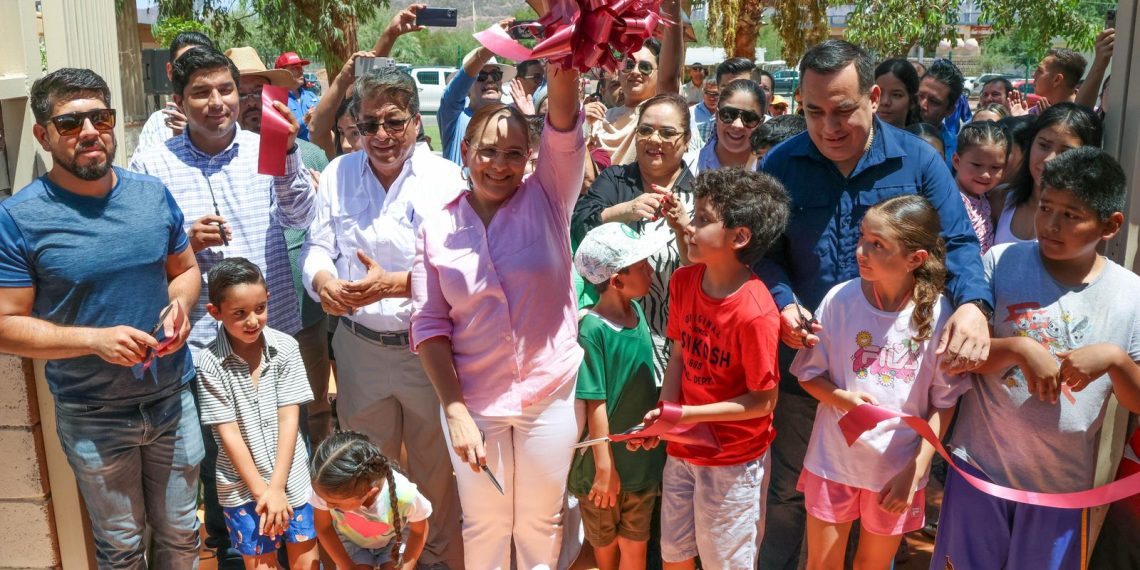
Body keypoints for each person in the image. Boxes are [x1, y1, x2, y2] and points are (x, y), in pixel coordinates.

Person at [754, 40, 993, 570]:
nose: (828, 127)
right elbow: (760, 253)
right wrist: (783, 301)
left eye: (843, 111)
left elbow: (956, 243)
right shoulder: (780, 163)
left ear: (875, 96)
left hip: (897, 380)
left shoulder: (918, 160)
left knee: (889, 505)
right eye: (813, 112)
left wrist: (974, 304)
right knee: (795, 496)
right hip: (810, 371)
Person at [0, 68, 202, 567]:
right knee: (122, 548)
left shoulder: (150, 195)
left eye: (100, 117)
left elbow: (186, 270)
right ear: (42, 135)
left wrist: (181, 306)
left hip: (172, 397)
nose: (90, 131)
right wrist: (94, 340)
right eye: (70, 123)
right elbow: (5, 324)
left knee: (182, 535)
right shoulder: (20, 218)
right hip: (93, 413)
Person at [129, 46, 316, 565]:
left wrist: (291, 155)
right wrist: (185, 238)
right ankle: (237, 552)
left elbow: (302, 212)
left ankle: (294, 546)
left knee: (285, 441)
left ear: (241, 93)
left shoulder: (268, 146)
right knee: (220, 458)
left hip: (271, 332)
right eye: (201, 93)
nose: (217, 102)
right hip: (203, 344)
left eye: (225, 89)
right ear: (179, 101)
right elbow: (144, 246)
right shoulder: (153, 162)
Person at [410, 59, 585, 569]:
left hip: (548, 394)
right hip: (474, 404)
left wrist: (563, 50)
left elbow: (564, 121)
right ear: (465, 151)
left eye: (513, 153)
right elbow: (429, 325)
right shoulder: (438, 229)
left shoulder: (550, 197)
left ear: (530, 157)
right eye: (487, 151)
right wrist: (455, 411)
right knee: (484, 525)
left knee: (539, 523)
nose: (499, 165)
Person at [933, 146, 1140, 570]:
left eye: (1072, 214)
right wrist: (1019, 349)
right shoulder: (1000, 262)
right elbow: (956, 358)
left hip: (1062, 491)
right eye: (1046, 207)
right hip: (981, 474)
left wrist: (1117, 361)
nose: (1051, 224)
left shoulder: (1131, 296)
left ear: (1110, 225)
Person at [300, 67, 465, 570]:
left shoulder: (446, 179)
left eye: (394, 122)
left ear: (417, 122)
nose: (382, 136)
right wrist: (324, 283)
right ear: (355, 125)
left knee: (436, 474)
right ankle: (370, 560)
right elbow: (317, 249)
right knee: (362, 474)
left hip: (427, 350)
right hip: (359, 347)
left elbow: (458, 266)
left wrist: (394, 282)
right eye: (369, 125)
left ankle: (434, 562)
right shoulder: (337, 174)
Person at [627, 167, 789, 570]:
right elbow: (679, 356)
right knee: (675, 555)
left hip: (732, 460)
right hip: (684, 450)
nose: (690, 228)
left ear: (739, 237)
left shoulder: (756, 312)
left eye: (701, 220)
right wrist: (666, 417)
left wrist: (684, 416)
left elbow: (762, 402)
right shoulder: (683, 282)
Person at [795, 195, 964, 569]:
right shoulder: (840, 300)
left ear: (915, 259)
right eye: (863, 238)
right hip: (833, 462)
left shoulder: (939, 315)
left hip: (897, 473)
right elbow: (808, 375)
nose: (862, 251)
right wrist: (842, 398)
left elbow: (944, 404)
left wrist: (916, 472)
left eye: (878, 244)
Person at [226, 46, 333, 444]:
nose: (253, 102)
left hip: (303, 315)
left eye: (260, 92)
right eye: (243, 92)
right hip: (240, 320)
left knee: (314, 406)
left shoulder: (311, 156)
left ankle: (323, 494)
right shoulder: (219, 162)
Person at [195, 259, 318, 568]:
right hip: (241, 488)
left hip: (292, 481)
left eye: (260, 308)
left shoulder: (287, 348)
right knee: (260, 564)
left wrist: (277, 488)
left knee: (306, 561)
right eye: (240, 313)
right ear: (215, 312)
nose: (253, 320)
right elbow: (228, 433)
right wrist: (263, 492)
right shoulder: (208, 363)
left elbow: (290, 419)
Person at [569, 223, 670, 570]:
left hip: (640, 464)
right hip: (603, 471)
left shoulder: (637, 312)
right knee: (606, 552)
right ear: (616, 281)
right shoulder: (593, 329)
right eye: (641, 266)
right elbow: (594, 400)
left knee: (635, 549)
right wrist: (604, 467)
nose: (651, 271)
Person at [573, 93, 694, 379]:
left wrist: (685, 227)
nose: (655, 139)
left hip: (679, 343)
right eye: (646, 130)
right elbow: (579, 226)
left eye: (667, 133)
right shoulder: (615, 180)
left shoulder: (701, 194)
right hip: (614, 338)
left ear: (687, 140)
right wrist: (623, 210)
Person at [310, 431, 433, 570]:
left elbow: (419, 532)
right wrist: (349, 567)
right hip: (351, 541)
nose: (328, 505)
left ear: (369, 493)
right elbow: (324, 528)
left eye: (336, 504)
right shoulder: (326, 489)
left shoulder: (405, 494)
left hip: (394, 540)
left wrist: (406, 567)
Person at [992, 103, 1102, 246]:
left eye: (1065, 152)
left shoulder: (1090, 220)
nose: (1049, 159)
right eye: (1043, 145)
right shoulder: (999, 199)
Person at [132, 31, 215, 159]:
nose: (191, 73)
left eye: (200, 65)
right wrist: (178, 142)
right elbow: (141, 175)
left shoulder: (222, 117)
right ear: (170, 71)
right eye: (184, 65)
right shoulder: (156, 124)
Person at [439, 37, 517, 165]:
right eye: (482, 76)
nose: (490, 80)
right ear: (466, 88)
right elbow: (453, 93)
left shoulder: (510, 118)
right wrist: (491, 46)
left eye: (496, 75)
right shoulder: (454, 118)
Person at [953, 121, 1009, 255]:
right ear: (956, 161)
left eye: (995, 168)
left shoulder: (985, 197)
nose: (985, 175)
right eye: (977, 165)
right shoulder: (950, 201)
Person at [690, 79, 767, 173]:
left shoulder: (773, 172)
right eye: (728, 115)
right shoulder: (688, 167)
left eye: (749, 118)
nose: (738, 125)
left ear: (761, 123)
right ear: (717, 115)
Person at [695, 57, 760, 144]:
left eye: (743, 87)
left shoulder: (775, 136)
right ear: (718, 89)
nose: (734, 94)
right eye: (727, 88)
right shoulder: (699, 135)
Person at [917, 58, 965, 165]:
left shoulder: (957, 151)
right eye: (920, 96)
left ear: (949, 111)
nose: (922, 105)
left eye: (934, 102)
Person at [276, 51, 320, 141]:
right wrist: (304, 120)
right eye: (295, 68)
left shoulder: (311, 96)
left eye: (301, 67)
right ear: (282, 73)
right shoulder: (278, 101)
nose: (301, 71)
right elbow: (281, 135)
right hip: (296, 153)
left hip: (319, 151)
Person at [874, 58, 920, 129]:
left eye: (896, 95)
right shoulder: (857, 137)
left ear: (912, 101)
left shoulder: (920, 139)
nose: (885, 101)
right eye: (879, 93)